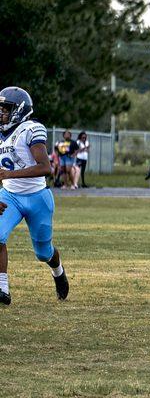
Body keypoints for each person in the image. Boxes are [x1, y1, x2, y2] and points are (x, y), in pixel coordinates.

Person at [0, 86, 69, 305]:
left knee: (43, 252)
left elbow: (45, 167)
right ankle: (2, 289)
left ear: (19, 110)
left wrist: (10, 174)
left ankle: (58, 271)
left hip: (37, 196)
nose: (1, 113)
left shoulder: (31, 129)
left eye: (5, 109)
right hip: (9, 195)